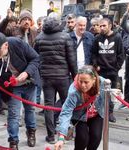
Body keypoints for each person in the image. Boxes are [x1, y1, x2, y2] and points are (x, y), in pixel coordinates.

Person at [34, 13, 77, 144]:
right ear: (59, 23)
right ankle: (65, 133)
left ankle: (51, 135)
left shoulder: (39, 37)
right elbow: (72, 60)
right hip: (63, 76)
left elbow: (35, 57)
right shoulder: (65, 37)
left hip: (46, 77)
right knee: (67, 105)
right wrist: (76, 77)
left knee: (48, 105)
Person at [54, 65, 106, 150]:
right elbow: (66, 112)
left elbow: (109, 98)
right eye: (80, 81)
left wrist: (115, 95)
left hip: (96, 113)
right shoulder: (73, 91)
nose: (82, 85)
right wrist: (61, 137)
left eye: (86, 82)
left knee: (96, 137)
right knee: (82, 139)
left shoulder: (103, 83)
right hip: (80, 116)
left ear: (94, 80)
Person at [91, 18, 125, 123]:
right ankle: (100, 111)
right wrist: (95, 65)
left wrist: (116, 67)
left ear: (110, 26)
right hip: (100, 71)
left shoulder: (117, 37)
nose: (101, 28)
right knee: (99, 92)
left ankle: (110, 112)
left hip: (112, 71)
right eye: (100, 26)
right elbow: (93, 53)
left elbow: (121, 54)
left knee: (111, 93)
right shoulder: (97, 38)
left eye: (104, 25)